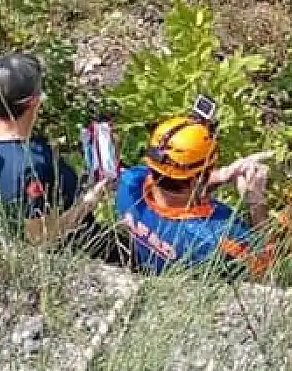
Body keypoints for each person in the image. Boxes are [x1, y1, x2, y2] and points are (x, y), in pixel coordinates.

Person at [0, 51, 114, 253]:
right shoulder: (29, 169)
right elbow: (41, 237)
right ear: (33, 102)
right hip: (74, 242)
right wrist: (90, 201)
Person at [114, 112, 274, 274]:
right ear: (196, 181)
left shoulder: (129, 185)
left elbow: (169, 182)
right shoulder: (217, 237)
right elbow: (267, 270)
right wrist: (256, 202)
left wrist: (221, 176)